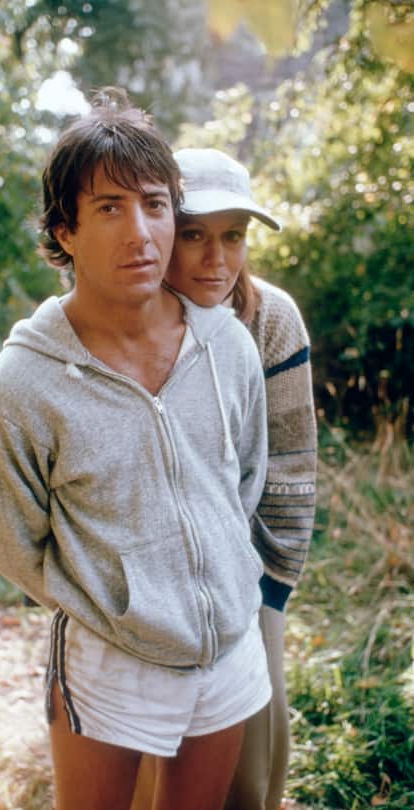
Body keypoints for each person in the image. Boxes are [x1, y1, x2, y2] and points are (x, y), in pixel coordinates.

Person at [0, 92, 273, 810]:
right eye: (109, 207)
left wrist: (223, 580)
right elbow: (13, 545)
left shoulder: (225, 342)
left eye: (154, 203)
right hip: (111, 664)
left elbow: (246, 479)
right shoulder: (23, 383)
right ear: (63, 231)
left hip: (228, 650)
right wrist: (120, 604)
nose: (141, 232)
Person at [131, 147, 317, 810]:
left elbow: (293, 468)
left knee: (252, 770)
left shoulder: (271, 320)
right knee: (155, 767)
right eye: (195, 235)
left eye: (233, 237)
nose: (217, 260)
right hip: (146, 583)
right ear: (161, 234)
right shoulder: (131, 317)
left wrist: (269, 592)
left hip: (247, 572)